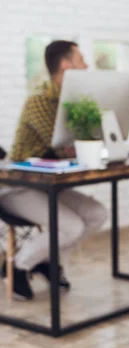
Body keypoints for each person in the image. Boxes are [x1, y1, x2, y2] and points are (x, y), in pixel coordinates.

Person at [0, 40, 108, 300]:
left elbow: (74, 145)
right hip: (19, 186)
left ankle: (45, 261)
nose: (87, 65)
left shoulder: (72, 101)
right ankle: (18, 266)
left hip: (51, 185)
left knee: (97, 214)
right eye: (81, 59)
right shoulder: (39, 100)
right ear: (65, 65)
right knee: (69, 226)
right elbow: (59, 145)